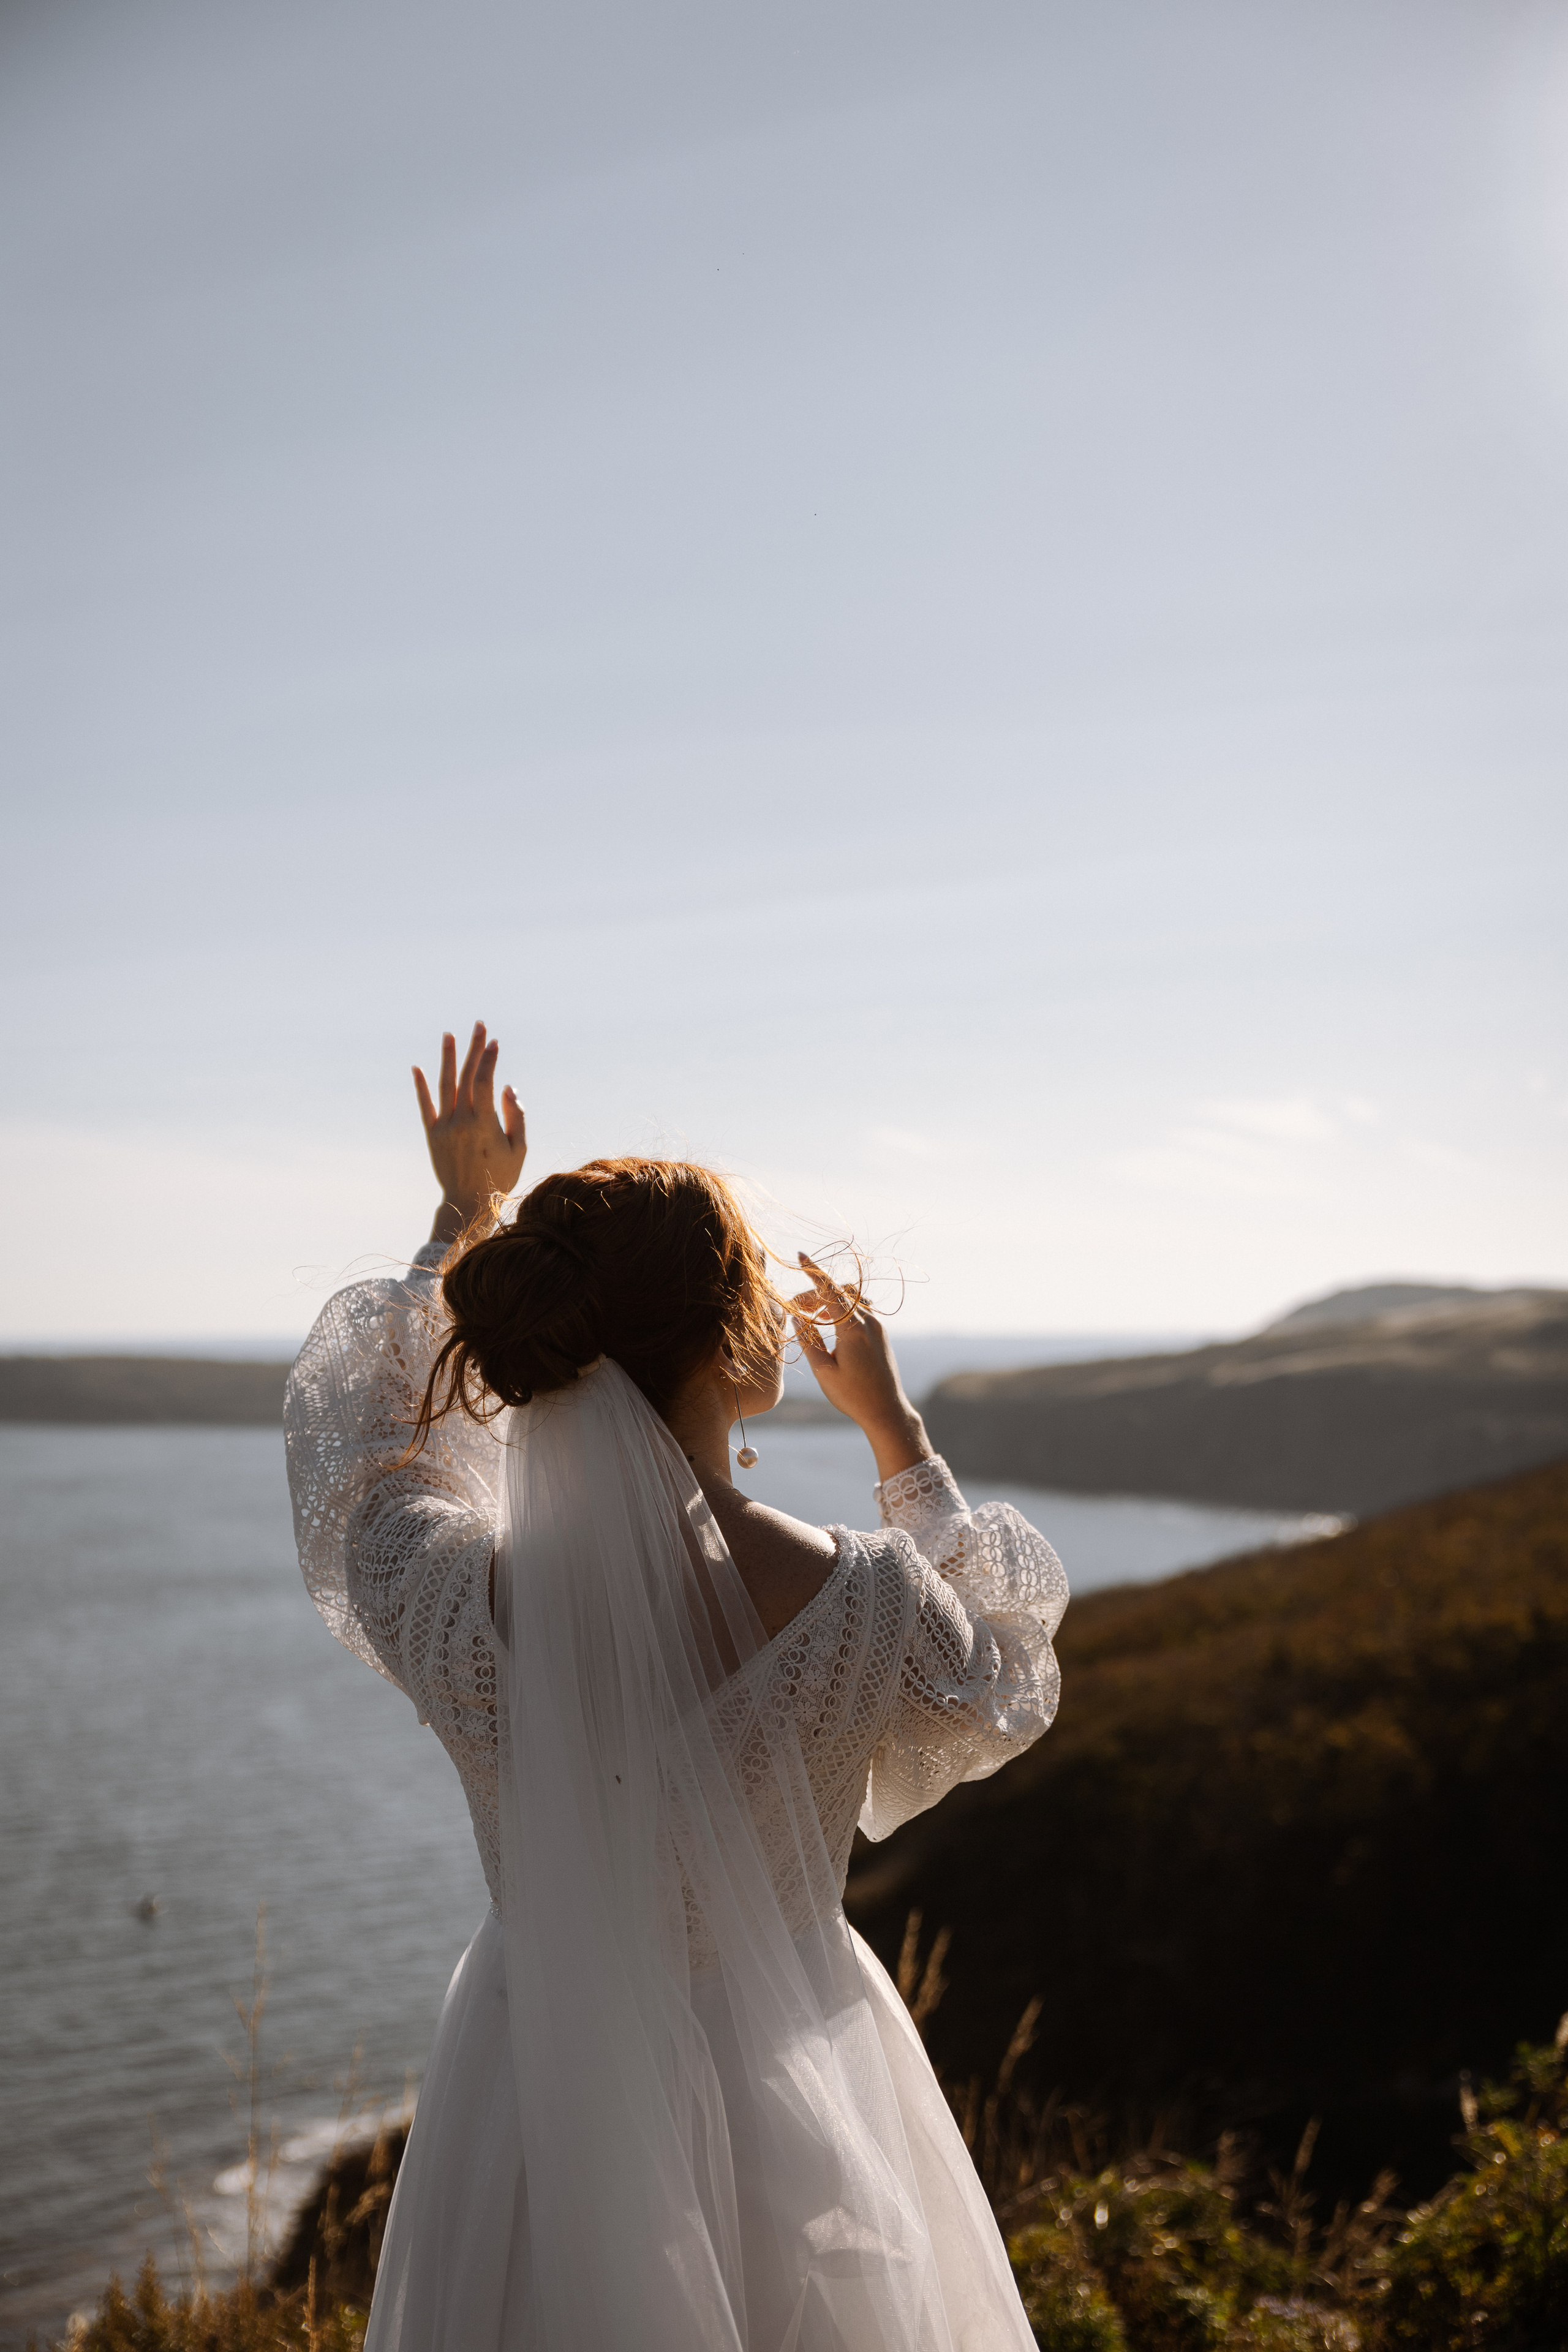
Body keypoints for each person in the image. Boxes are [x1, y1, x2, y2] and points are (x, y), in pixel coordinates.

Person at [284, 1022, 1069, 2351]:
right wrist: (898, 1437)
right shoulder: (866, 1599)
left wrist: (458, 1217)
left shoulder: (448, 1599)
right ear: (728, 1346)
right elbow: (1006, 1686)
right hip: (793, 2087)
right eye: (753, 1282)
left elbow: (370, 1450)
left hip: (533, 2094)